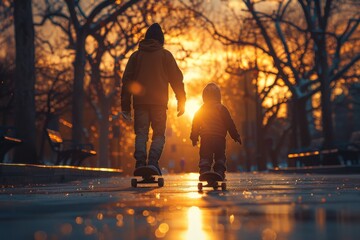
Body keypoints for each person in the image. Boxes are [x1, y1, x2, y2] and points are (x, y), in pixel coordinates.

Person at [121, 23, 186, 175]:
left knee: (141, 133)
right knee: (158, 134)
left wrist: (125, 106)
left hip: (140, 103)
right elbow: (177, 79)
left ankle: (140, 163)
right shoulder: (165, 56)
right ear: (161, 39)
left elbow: (127, 82)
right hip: (159, 104)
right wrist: (181, 100)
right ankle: (152, 162)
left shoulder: (136, 56)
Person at [190, 83, 241, 179]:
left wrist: (194, 137)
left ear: (204, 97)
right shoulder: (222, 108)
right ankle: (219, 171)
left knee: (205, 155)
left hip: (206, 138)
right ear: (218, 96)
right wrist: (236, 136)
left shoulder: (202, 109)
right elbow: (229, 124)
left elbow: (195, 124)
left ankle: (205, 170)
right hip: (219, 138)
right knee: (220, 155)